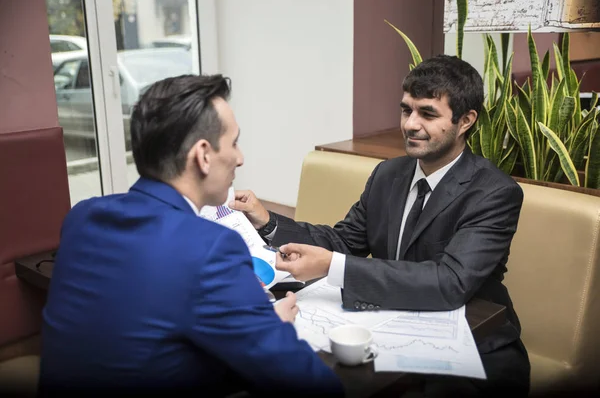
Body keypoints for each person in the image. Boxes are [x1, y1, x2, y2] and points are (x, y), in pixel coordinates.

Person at [231, 55, 530, 397]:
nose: (411, 124)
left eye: (428, 114)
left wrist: (331, 266)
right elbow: (343, 242)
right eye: (406, 110)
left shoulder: (494, 192)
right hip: (391, 330)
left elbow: (450, 282)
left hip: (474, 344)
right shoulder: (388, 175)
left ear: (465, 121)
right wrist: (266, 220)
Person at [39, 75, 343, 397]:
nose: (240, 158)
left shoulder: (82, 218)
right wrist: (274, 330)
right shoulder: (210, 247)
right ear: (203, 155)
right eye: (234, 142)